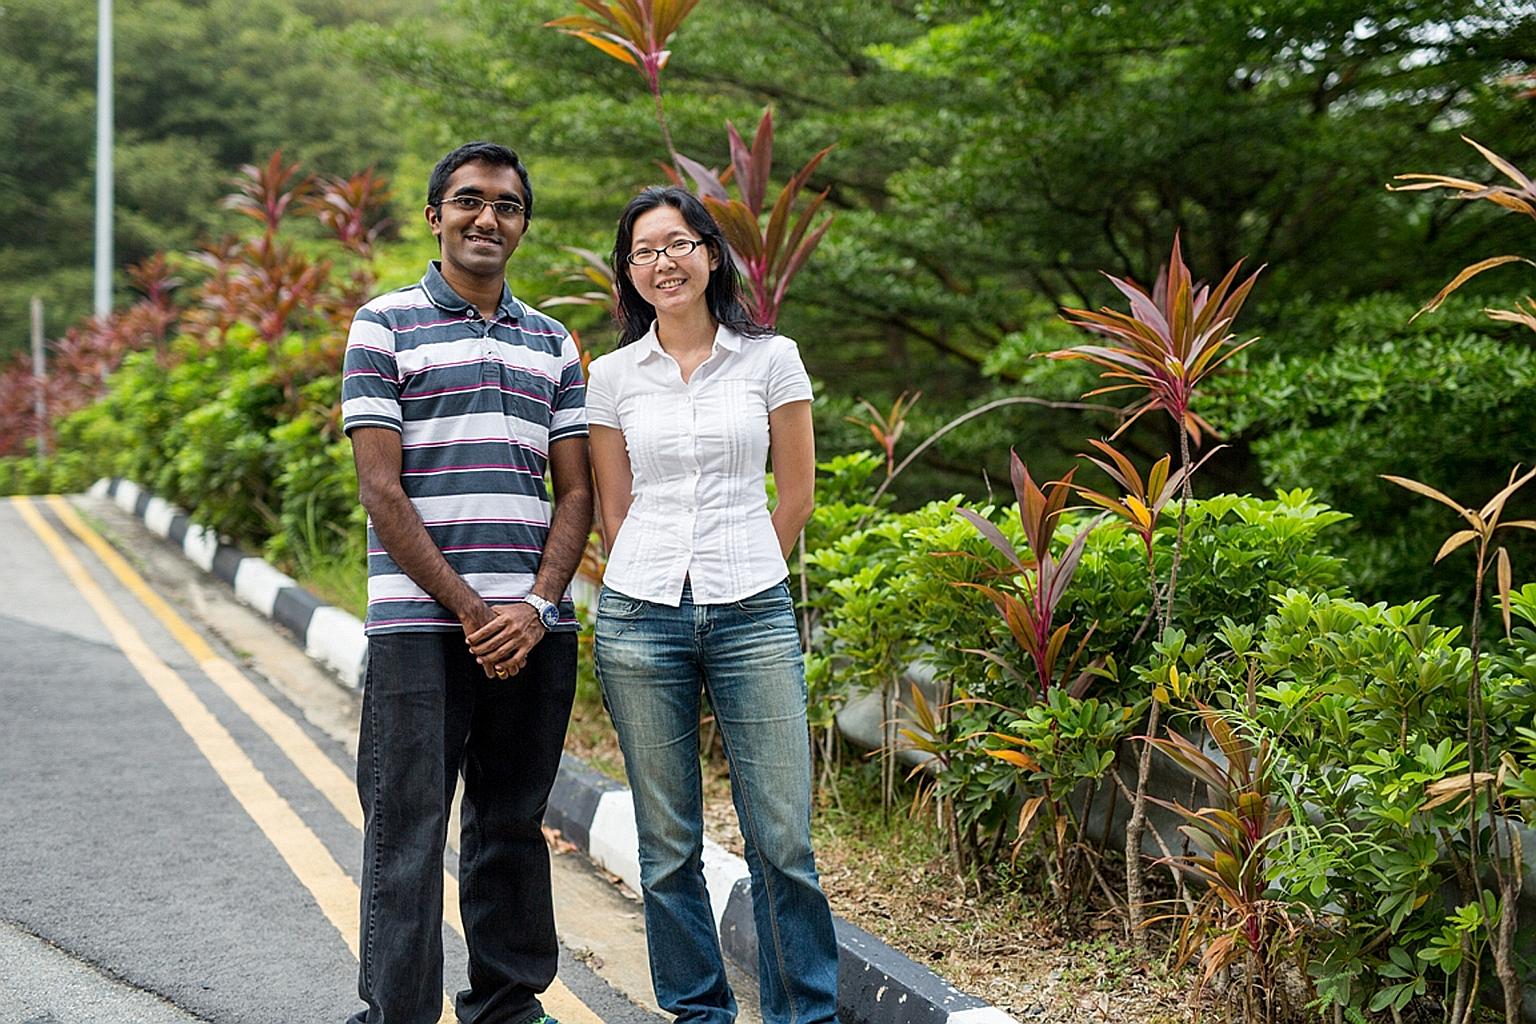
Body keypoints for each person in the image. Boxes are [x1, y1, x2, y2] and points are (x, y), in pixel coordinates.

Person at [340, 141, 591, 1024]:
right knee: (406, 834)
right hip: (418, 629)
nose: (489, 218)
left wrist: (535, 607)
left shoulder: (555, 343)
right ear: (434, 214)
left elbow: (578, 491)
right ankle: (396, 1014)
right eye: (471, 200)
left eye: (508, 205)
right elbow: (381, 487)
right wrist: (473, 608)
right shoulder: (383, 323)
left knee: (511, 826)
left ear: (523, 223)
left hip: (532, 633)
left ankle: (506, 1005)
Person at [585, 185, 839, 1024]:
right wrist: (649, 576)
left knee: (784, 841)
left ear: (712, 252)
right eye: (645, 251)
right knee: (666, 846)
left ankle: (804, 1014)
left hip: (752, 613)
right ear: (630, 272)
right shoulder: (612, 375)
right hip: (640, 619)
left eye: (678, 243)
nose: (664, 262)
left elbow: (795, 494)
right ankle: (699, 1013)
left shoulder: (772, 359)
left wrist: (747, 571)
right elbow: (614, 509)